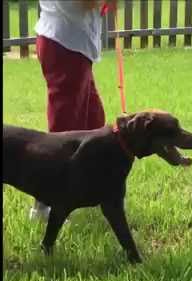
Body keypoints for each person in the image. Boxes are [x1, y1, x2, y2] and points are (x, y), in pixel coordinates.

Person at [29, 0, 117, 221]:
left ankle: (88, 189)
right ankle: (43, 204)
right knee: (64, 130)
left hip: (71, 43)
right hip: (65, 45)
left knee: (93, 120)